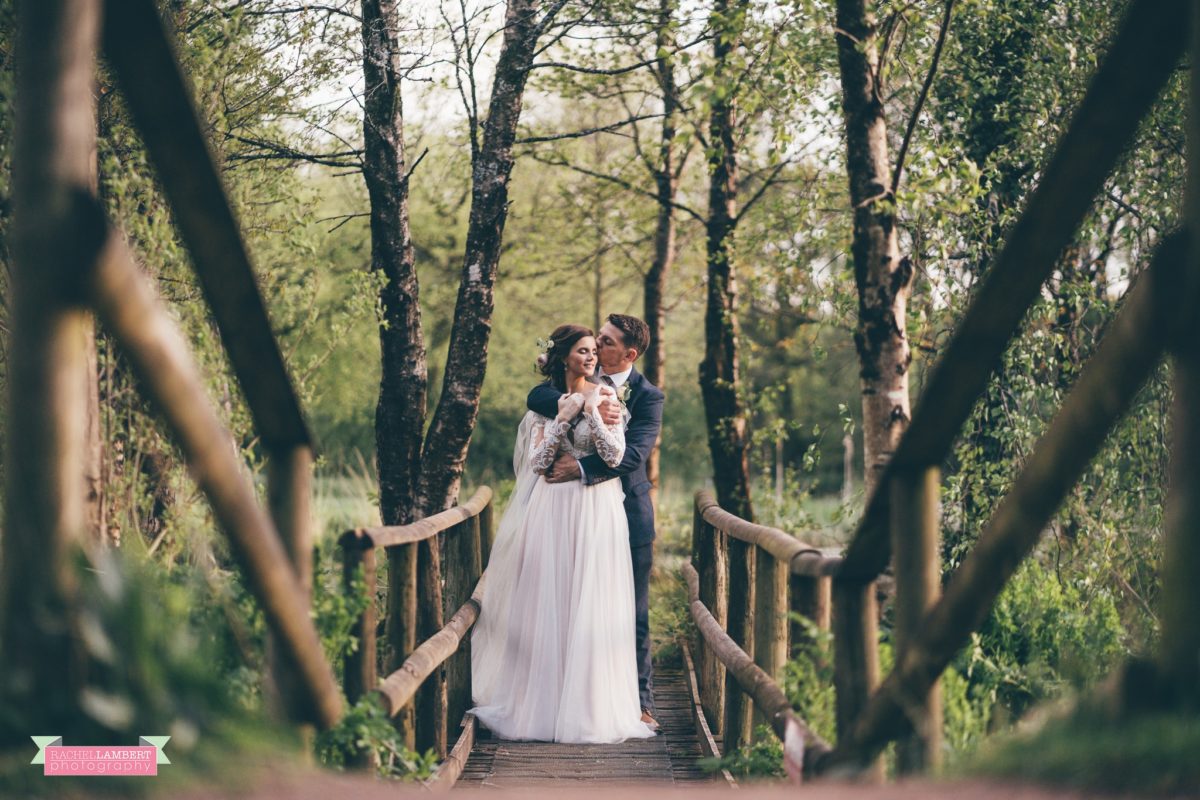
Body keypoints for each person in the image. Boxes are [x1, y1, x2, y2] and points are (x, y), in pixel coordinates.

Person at [470, 324, 656, 744]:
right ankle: (542, 704)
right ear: (564, 357)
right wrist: (565, 414)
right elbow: (538, 461)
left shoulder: (610, 397)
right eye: (584, 350)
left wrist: (591, 410)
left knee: (593, 602)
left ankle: (593, 706)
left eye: (596, 349)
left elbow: (618, 454)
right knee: (547, 602)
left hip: (598, 511)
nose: (592, 356)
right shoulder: (547, 399)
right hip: (553, 509)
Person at [527, 313, 664, 731]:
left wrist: (580, 469)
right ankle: (564, 695)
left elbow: (634, 456)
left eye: (605, 341)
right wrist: (579, 400)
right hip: (571, 516)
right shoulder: (575, 380)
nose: (597, 347)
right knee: (569, 601)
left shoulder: (648, 396)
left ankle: (639, 702)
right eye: (595, 340)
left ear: (629, 353)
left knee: (630, 611)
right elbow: (537, 397)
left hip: (625, 514)